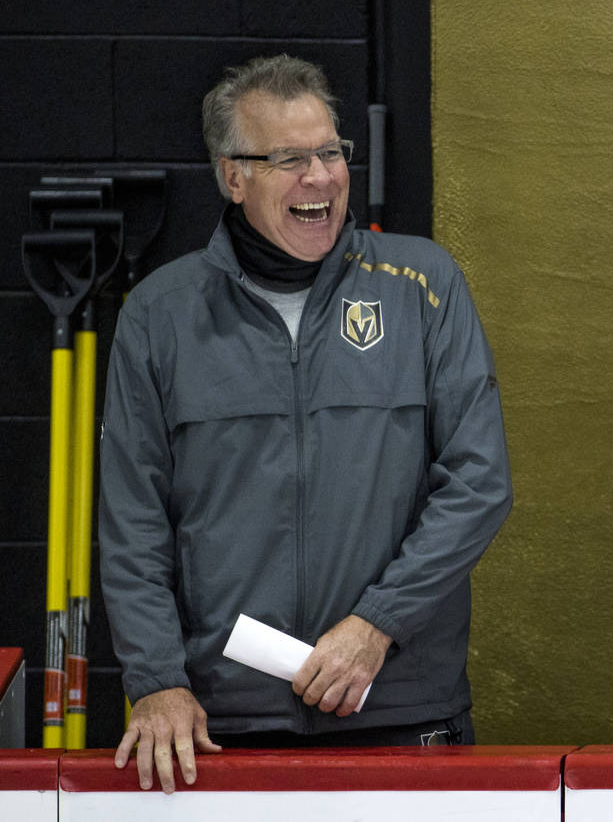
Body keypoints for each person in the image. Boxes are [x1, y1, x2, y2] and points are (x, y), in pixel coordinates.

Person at [99, 54, 512, 792]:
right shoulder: (160, 316)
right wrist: (157, 679)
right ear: (233, 176)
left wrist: (374, 627)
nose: (320, 177)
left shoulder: (423, 286)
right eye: (289, 159)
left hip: (399, 705)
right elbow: (133, 521)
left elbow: (478, 484)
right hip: (221, 724)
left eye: (330, 152)